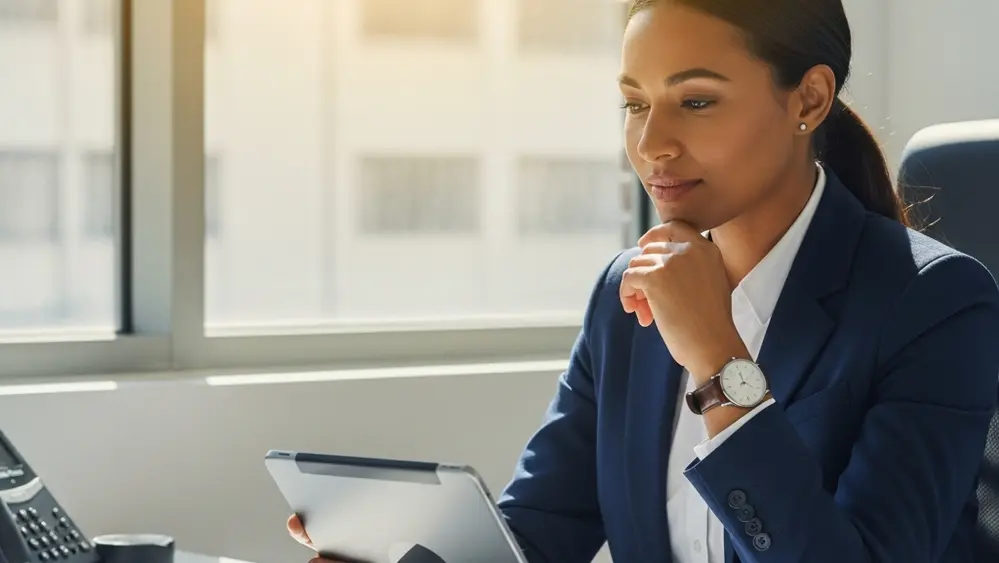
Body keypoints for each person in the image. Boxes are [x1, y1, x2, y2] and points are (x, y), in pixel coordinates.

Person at [288, 0, 999, 561]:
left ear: (807, 99)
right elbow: (540, 531)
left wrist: (719, 363)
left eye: (694, 101)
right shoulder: (624, 289)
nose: (651, 142)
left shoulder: (935, 302)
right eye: (633, 103)